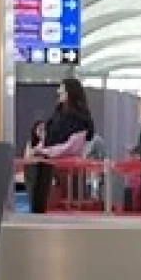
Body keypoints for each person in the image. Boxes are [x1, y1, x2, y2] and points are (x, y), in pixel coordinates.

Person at [25, 78, 96, 213]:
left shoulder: (79, 119)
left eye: (62, 89)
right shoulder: (57, 114)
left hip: (66, 171)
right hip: (48, 165)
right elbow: (49, 138)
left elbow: (71, 147)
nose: (58, 91)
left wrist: (46, 152)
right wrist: (39, 149)